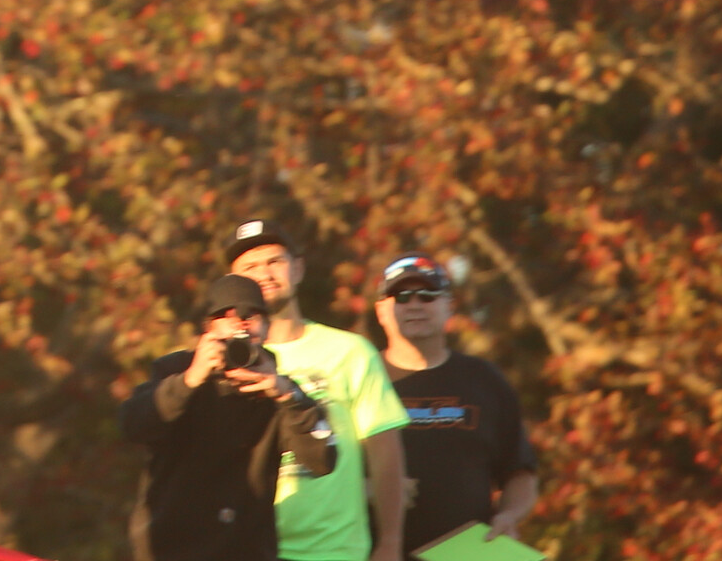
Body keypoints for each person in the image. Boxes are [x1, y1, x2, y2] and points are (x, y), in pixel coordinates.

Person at [122, 273, 340, 561]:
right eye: (226, 315)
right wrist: (190, 380)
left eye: (252, 315)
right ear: (208, 328)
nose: (241, 322)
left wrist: (288, 396)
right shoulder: (174, 370)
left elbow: (323, 458)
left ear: (266, 329)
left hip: (245, 549)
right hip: (171, 548)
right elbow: (133, 425)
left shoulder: (279, 389)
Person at [227, 221, 409, 561]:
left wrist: (390, 544)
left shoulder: (351, 352)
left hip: (334, 551)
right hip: (246, 549)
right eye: (250, 267)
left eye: (274, 261)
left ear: (298, 268)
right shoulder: (222, 363)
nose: (264, 274)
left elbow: (385, 456)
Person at [369, 255, 537, 555]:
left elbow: (520, 472)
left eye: (428, 295)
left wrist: (509, 515)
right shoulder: (359, 377)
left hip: (466, 553)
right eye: (402, 297)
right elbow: (323, 472)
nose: (415, 305)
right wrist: (370, 488)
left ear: (449, 306)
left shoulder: (485, 380)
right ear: (381, 310)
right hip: (374, 551)